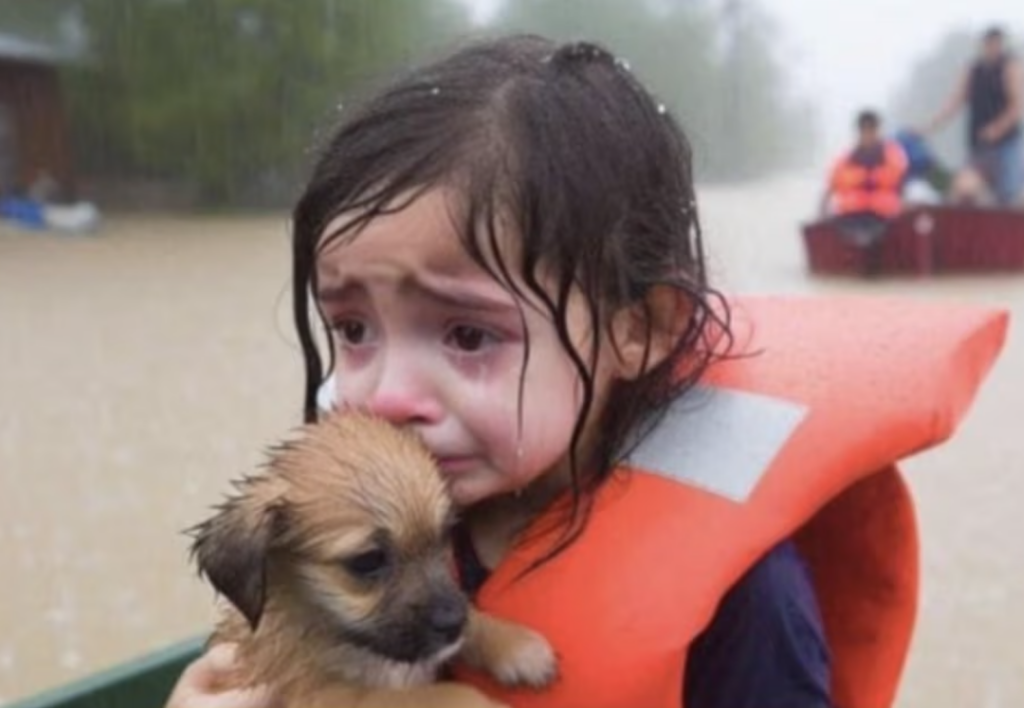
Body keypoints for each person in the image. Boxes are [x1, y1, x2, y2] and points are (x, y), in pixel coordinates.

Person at [166, 35, 1006, 708]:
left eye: (465, 334)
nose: (386, 394)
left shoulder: (750, 600)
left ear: (637, 328)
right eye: (350, 327)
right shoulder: (358, 519)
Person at [919, 25, 1023, 207]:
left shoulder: (1010, 67)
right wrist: (930, 126)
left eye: (996, 44)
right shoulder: (973, 70)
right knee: (963, 190)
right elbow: (955, 101)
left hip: (1006, 144)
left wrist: (997, 128)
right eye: (989, 43)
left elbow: (1017, 106)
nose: (992, 48)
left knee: (1008, 194)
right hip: (979, 144)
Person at [819, 109, 908, 275]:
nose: (868, 133)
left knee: (875, 233)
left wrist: (871, 178)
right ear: (859, 131)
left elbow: (899, 180)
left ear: (877, 130)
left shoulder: (892, 154)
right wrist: (822, 211)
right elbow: (832, 185)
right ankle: (859, 252)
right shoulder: (846, 158)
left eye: (871, 129)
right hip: (852, 215)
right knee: (856, 233)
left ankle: (871, 254)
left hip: (881, 215)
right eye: (864, 129)